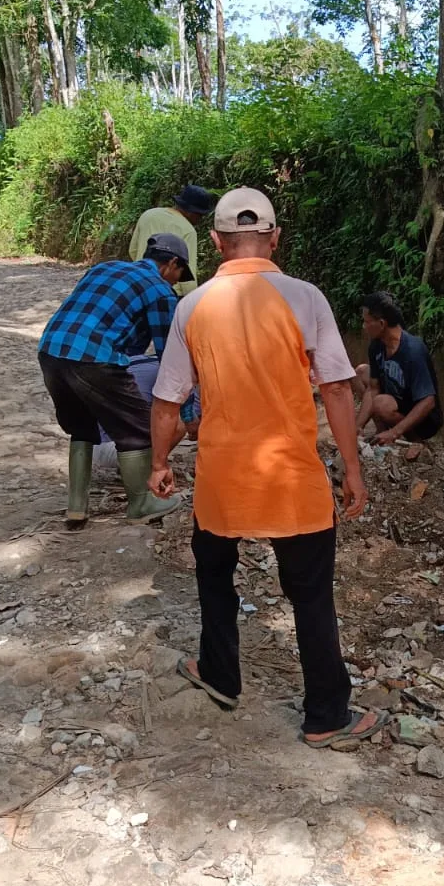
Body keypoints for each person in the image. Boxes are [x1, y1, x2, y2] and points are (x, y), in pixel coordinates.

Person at [149, 187, 387, 750]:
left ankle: (220, 673)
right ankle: (327, 714)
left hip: (222, 478)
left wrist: (159, 461)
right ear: (276, 238)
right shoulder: (305, 298)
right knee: (311, 596)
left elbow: (167, 399)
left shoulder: (191, 305)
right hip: (293, 479)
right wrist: (351, 469)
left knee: (213, 574)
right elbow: (334, 388)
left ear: (214, 242)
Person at [38, 232, 197, 529]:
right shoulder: (161, 292)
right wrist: (188, 415)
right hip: (95, 357)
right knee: (137, 428)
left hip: (51, 351)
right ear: (171, 263)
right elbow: (170, 359)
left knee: (82, 428)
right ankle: (141, 504)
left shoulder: (103, 268)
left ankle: (76, 507)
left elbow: (103, 320)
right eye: (179, 274)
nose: (176, 281)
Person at [355, 292, 443, 446]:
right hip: (397, 400)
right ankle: (381, 433)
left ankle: (414, 440)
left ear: (381, 324)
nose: (364, 326)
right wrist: (357, 426)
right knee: (361, 372)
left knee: (381, 403)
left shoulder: (413, 351)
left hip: (424, 420)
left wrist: (394, 432)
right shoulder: (376, 346)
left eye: (366, 322)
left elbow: (428, 402)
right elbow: (373, 388)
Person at [127, 184, 214, 296]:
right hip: (168, 292)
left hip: (139, 284)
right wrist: (191, 300)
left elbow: (132, 250)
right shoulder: (188, 230)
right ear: (191, 212)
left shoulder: (148, 215)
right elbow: (188, 275)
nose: (200, 219)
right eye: (200, 215)